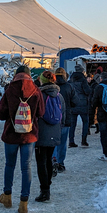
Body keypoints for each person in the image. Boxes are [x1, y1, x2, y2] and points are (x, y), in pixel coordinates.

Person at [0, 66, 45, 213]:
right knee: (26, 167)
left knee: (9, 165)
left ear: (16, 75)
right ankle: (24, 203)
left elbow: (2, 113)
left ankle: (7, 196)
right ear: (29, 75)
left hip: (11, 134)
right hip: (29, 136)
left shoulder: (10, 90)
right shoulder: (36, 90)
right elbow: (41, 112)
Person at [34, 70, 66, 203]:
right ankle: (48, 185)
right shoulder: (59, 96)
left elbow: (35, 114)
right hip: (54, 132)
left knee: (41, 162)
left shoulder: (39, 95)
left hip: (42, 133)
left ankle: (45, 190)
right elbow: (63, 114)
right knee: (48, 159)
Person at [52, 67, 75, 172]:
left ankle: (53, 160)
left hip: (53, 120)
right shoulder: (69, 87)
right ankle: (61, 163)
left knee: (53, 142)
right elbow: (76, 102)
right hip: (66, 119)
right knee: (62, 143)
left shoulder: (52, 87)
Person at [68, 64, 91, 148]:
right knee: (85, 122)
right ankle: (84, 141)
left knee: (72, 124)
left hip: (73, 104)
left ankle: (71, 141)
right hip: (83, 104)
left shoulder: (71, 80)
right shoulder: (83, 80)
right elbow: (87, 91)